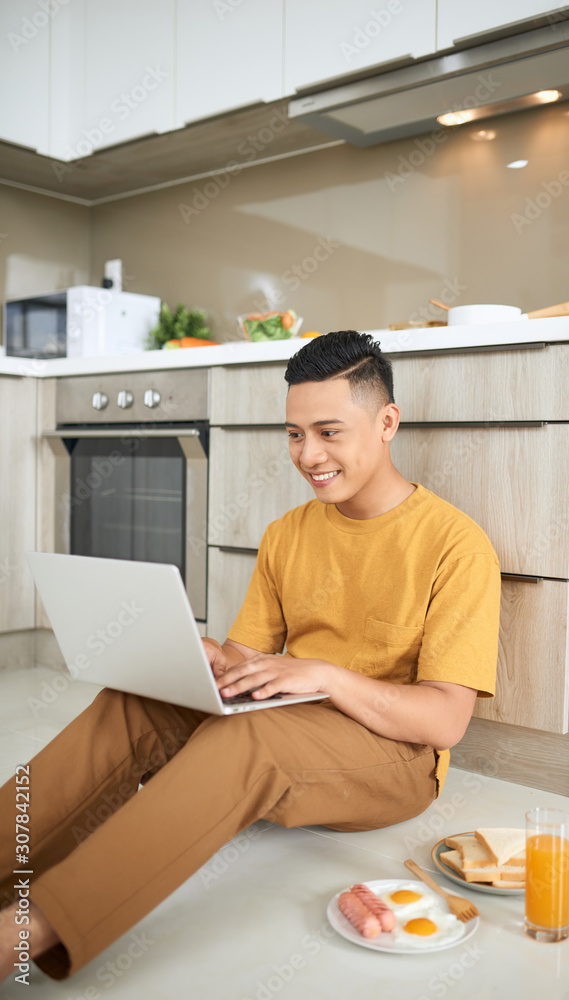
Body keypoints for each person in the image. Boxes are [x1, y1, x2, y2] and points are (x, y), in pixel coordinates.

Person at [0, 330, 500, 984]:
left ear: (385, 423)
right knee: (136, 704)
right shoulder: (286, 534)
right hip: (291, 719)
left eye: (327, 432)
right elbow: (247, 657)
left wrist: (321, 673)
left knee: (250, 741)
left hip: (393, 756)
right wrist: (202, 657)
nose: (308, 455)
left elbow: (442, 723)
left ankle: (25, 933)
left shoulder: (455, 545)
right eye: (294, 434)